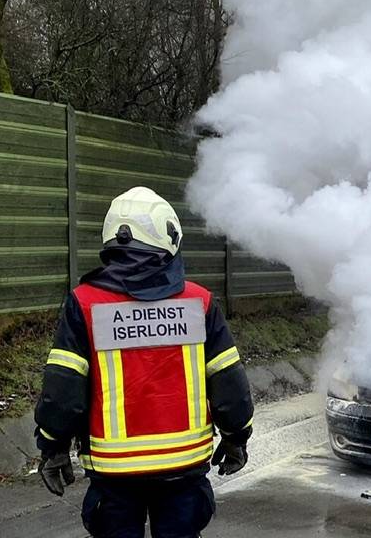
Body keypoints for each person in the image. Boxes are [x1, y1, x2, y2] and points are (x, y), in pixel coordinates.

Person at [34, 187, 254, 537]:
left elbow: (64, 389)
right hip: (184, 469)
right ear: (168, 236)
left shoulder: (84, 303)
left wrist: (53, 445)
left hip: (114, 475)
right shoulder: (199, 302)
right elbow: (228, 381)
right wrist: (235, 436)